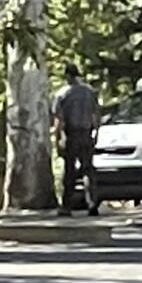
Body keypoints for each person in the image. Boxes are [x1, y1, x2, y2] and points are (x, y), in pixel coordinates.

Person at [54, 66, 103, 215]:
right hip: (86, 133)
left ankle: (66, 206)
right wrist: (95, 134)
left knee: (70, 171)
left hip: (71, 134)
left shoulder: (62, 94)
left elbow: (59, 119)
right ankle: (92, 203)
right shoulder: (89, 92)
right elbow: (96, 115)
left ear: (67, 76)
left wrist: (57, 138)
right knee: (88, 169)